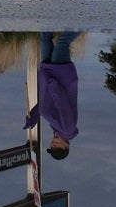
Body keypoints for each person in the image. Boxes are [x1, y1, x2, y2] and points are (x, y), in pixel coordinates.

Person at [25, 31, 81, 160]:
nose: (53, 145)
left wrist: (34, 117)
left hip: (49, 75)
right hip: (59, 76)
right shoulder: (67, 128)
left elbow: (46, 104)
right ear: (66, 146)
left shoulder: (56, 128)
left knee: (45, 38)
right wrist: (50, 81)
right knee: (62, 43)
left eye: (52, 148)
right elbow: (61, 101)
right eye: (58, 148)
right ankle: (86, 23)